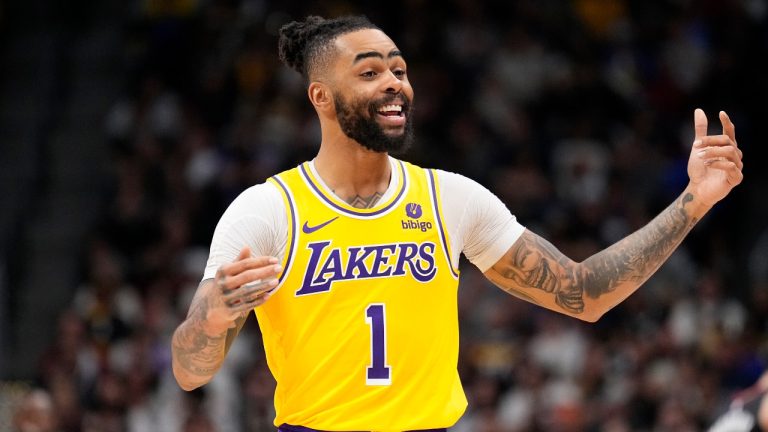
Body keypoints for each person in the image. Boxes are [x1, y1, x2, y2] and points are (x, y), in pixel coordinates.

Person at [171, 15, 743, 431]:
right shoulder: (267, 210)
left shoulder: (449, 199)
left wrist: (694, 200)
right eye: (370, 72)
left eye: (399, 69)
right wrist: (212, 319)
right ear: (321, 96)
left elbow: (582, 294)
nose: (395, 82)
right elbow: (190, 371)